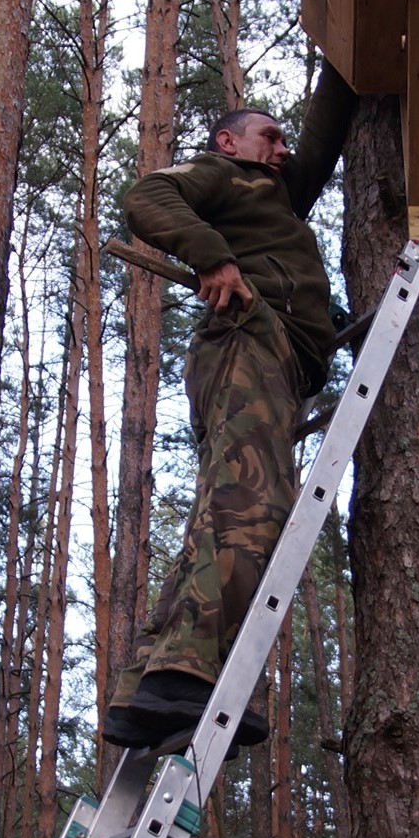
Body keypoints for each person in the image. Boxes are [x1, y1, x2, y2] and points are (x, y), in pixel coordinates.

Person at [103, 60, 358, 749]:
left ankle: (145, 689)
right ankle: (185, 674)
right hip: (250, 338)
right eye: (268, 137)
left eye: (283, 140)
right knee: (252, 504)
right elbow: (148, 195)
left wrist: (348, 50)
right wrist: (211, 255)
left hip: (274, 353)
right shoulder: (223, 176)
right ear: (228, 142)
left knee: (221, 509)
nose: (282, 149)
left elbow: (325, 132)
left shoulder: (276, 193)